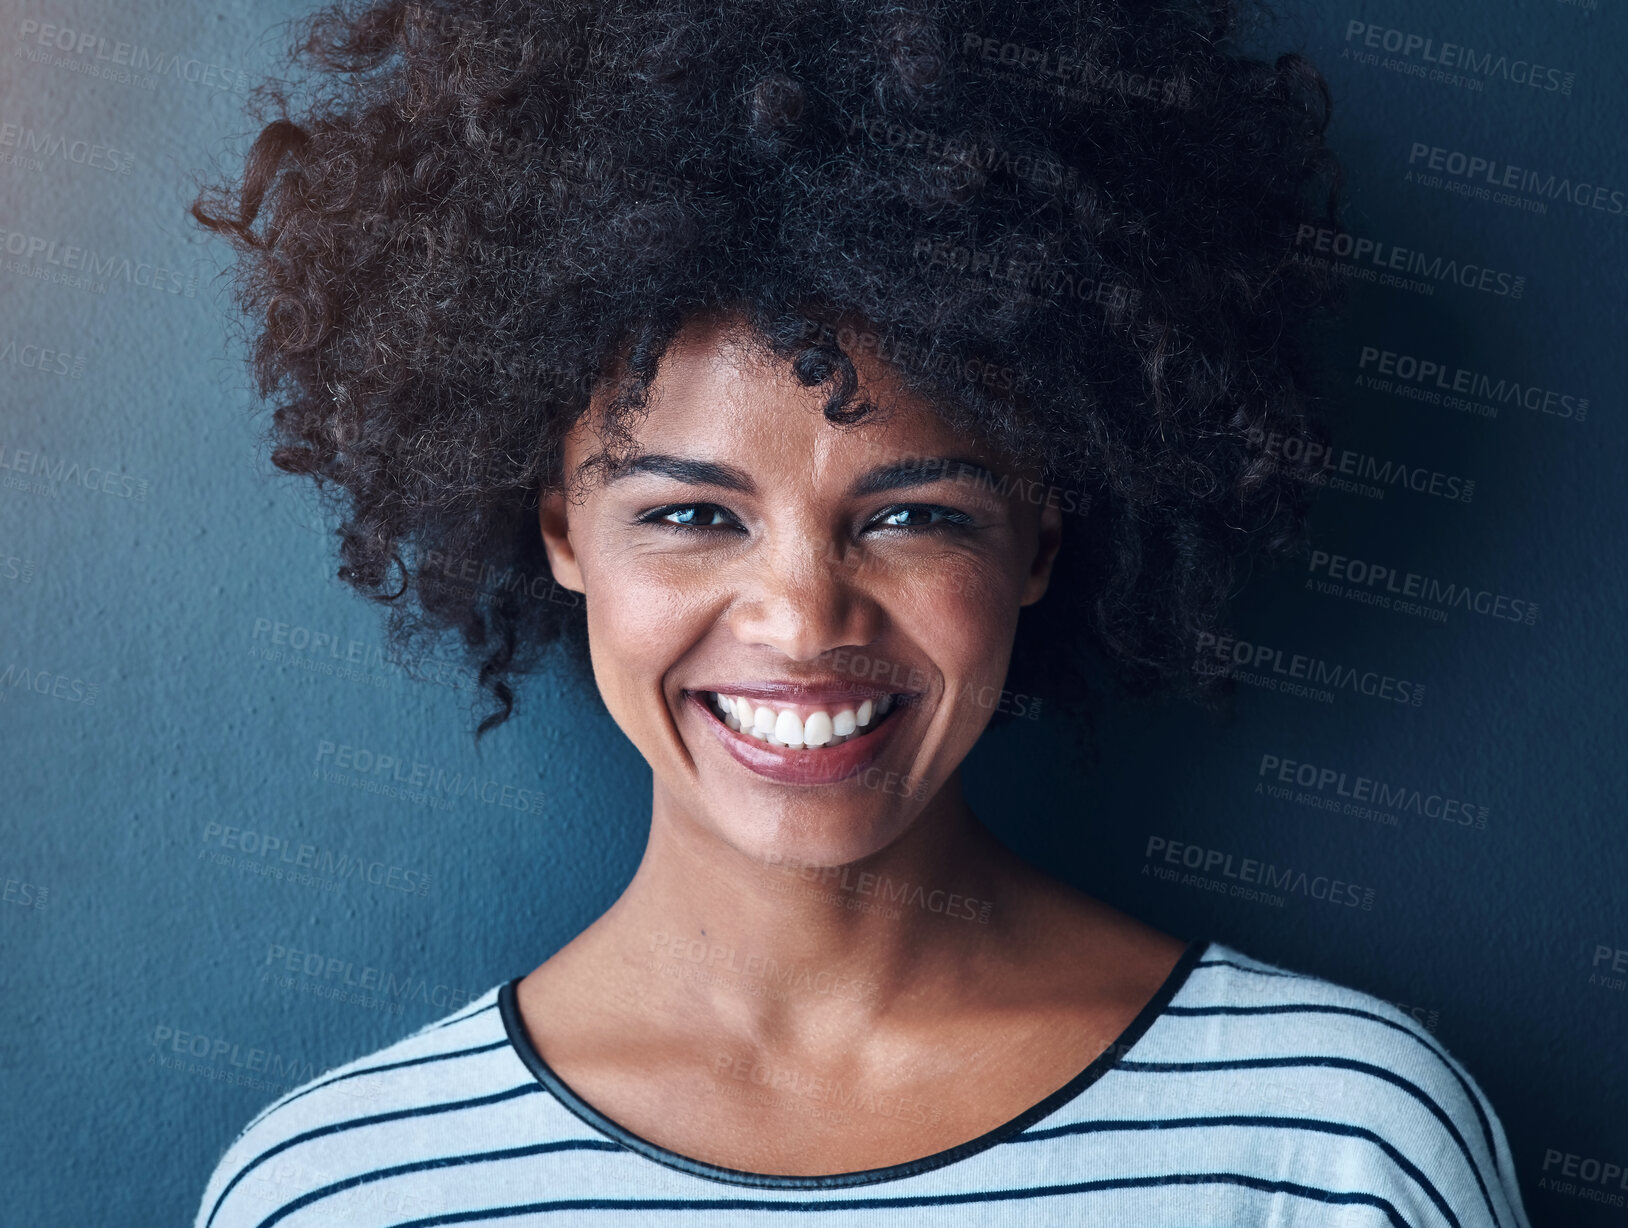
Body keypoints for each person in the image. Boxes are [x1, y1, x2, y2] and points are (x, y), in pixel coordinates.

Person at [192, 0, 1534, 1224]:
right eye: (691, 514)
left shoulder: (1335, 1143)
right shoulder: (340, 1188)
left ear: (1037, 543)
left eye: (912, 514)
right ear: (562, 533)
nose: (800, 616)